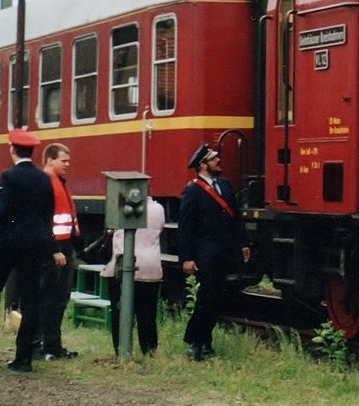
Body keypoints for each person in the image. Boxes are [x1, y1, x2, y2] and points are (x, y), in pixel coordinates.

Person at [0, 129, 57, 373]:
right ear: (32, 151)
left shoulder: (9, 176)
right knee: (31, 299)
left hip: (7, 244)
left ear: (12, 149)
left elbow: (3, 212)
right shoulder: (44, 178)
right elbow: (47, 214)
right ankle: (23, 358)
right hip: (33, 245)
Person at [177, 144, 250, 361]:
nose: (219, 161)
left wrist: (243, 243)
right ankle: (194, 341)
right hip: (204, 253)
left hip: (223, 251)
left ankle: (205, 342)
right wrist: (186, 258)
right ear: (203, 165)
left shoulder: (225, 185)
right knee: (206, 297)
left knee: (217, 297)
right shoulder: (193, 190)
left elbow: (235, 217)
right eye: (214, 159)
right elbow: (186, 227)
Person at [35, 142, 82, 360]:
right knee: (47, 298)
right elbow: (43, 221)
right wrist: (54, 249)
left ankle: (53, 346)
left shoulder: (60, 182)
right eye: (63, 161)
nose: (67, 164)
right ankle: (39, 345)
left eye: (68, 161)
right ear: (50, 160)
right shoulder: (46, 183)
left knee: (60, 298)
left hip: (65, 247)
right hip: (53, 250)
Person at [102, 195, 165, 356]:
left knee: (119, 313)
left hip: (121, 266)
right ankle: (149, 351)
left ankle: (121, 351)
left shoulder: (118, 208)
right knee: (147, 314)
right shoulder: (158, 209)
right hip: (150, 267)